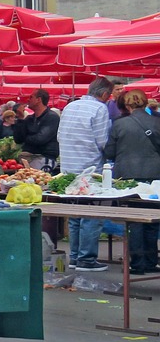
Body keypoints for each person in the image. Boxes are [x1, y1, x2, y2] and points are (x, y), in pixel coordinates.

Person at [58, 78, 114, 272]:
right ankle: (87, 259)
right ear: (105, 94)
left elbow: (59, 135)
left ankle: (74, 256)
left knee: (75, 215)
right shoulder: (100, 109)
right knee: (92, 214)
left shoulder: (70, 107)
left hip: (67, 167)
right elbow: (103, 141)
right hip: (89, 168)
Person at [105, 90, 160, 275]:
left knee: (134, 220)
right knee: (152, 219)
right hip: (155, 176)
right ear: (145, 103)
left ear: (127, 105)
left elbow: (109, 152)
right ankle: (152, 261)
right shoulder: (157, 121)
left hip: (127, 177)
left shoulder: (119, 124)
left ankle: (137, 263)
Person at [13, 89, 59, 171]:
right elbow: (18, 139)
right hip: (29, 160)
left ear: (39, 100)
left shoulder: (52, 117)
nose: (28, 100)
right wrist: (20, 118)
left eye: (31, 97)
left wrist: (26, 138)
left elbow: (40, 139)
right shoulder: (29, 119)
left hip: (44, 159)